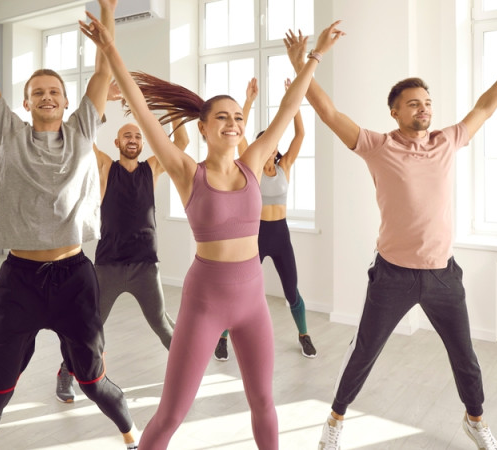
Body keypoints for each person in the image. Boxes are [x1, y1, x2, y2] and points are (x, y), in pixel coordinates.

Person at [81, 4, 343, 448]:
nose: (234, 123)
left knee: (264, 402)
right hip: (204, 302)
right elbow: (143, 111)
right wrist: (111, 49)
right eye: (222, 116)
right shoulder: (186, 171)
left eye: (238, 117)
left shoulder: (256, 161)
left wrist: (314, 56)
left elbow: (290, 105)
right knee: (171, 414)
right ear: (203, 129)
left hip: (252, 302)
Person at [283, 26, 497, 450]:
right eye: (413, 103)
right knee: (364, 353)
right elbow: (329, 114)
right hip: (393, 276)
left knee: (465, 359)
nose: (424, 109)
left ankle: (475, 421)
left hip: (442, 277)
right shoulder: (377, 146)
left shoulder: (447, 140)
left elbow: (485, 107)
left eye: (428, 103)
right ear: (395, 112)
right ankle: (334, 421)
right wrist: (304, 61)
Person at [0, 0, 139, 448]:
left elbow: (102, 73)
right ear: (26, 102)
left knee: (93, 382)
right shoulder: (8, 130)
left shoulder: (83, 129)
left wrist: (108, 9)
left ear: (66, 101)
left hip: (74, 278)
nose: (46, 97)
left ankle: (132, 436)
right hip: (18, 279)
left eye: (54, 92)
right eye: (37, 92)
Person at [55, 87, 189, 403]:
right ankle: (65, 372)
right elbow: (85, 138)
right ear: (117, 143)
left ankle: (189, 374)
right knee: (91, 327)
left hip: (145, 267)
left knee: (163, 327)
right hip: (109, 267)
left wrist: (167, 105)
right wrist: (102, 99)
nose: (133, 140)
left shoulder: (152, 168)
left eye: (138, 137)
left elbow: (181, 143)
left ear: (142, 144)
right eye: (127, 136)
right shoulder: (105, 167)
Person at [214, 77, 317, 361]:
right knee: (237, 289)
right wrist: (248, 101)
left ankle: (304, 335)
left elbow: (300, 136)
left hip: (280, 234)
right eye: (263, 143)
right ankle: (222, 338)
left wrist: (293, 103)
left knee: (291, 289)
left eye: (271, 144)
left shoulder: (285, 165)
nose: (268, 147)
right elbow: (239, 133)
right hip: (255, 235)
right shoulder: (253, 167)